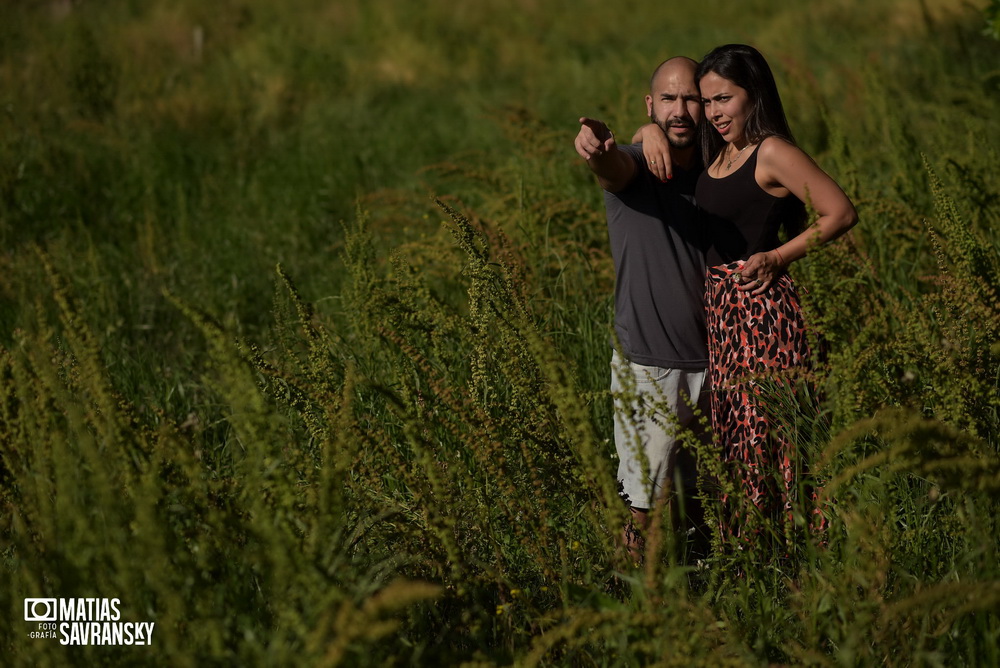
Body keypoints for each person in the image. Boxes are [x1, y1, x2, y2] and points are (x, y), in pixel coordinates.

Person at [635, 44, 858, 542]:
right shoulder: (721, 149)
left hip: (762, 314)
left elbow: (840, 212)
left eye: (724, 99)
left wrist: (779, 257)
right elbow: (663, 141)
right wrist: (646, 129)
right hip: (723, 315)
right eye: (707, 101)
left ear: (752, 95)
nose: (713, 113)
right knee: (735, 438)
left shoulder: (772, 150)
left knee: (765, 437)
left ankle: (786, 554)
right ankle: (755, 551)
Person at [574, 56, 711, 561]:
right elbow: (612, 167)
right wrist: (598, 149)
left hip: (723, 363)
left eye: (691, 98)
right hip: (653, 368)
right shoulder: (635, 166)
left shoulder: (722, 172)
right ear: (651, 106)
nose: (680, 110)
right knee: (645, 508)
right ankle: (635, 608)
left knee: (706, 503)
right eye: (669, 99)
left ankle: (699, 599)